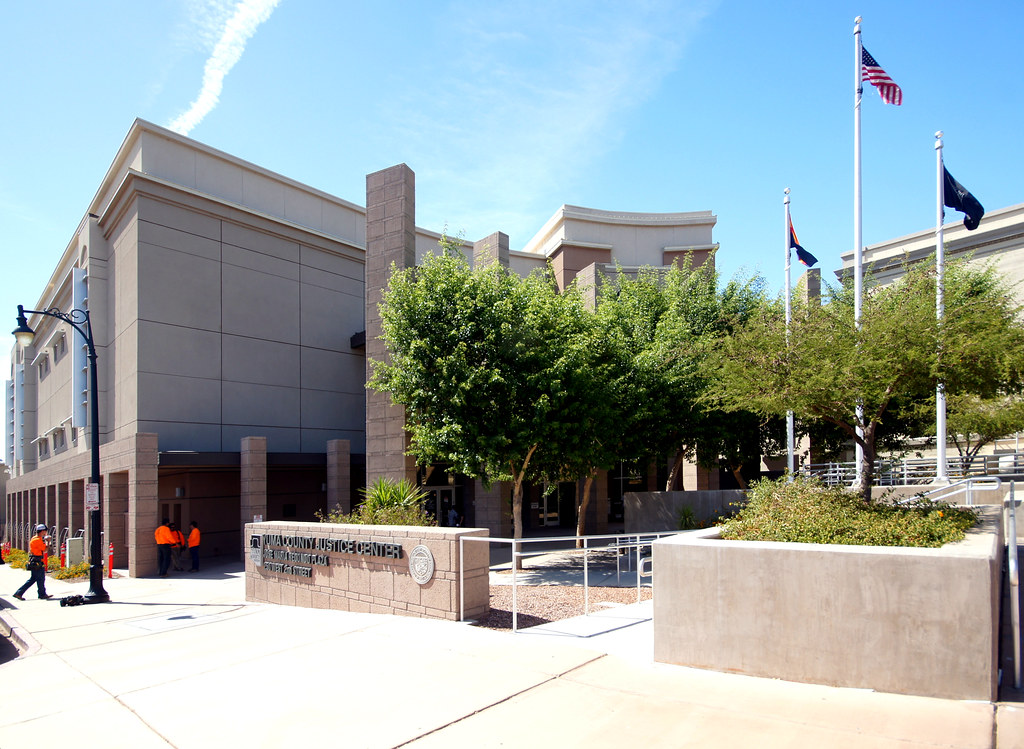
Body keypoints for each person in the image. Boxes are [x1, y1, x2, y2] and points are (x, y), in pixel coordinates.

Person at [14, 524, 52, 600]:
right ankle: (19, 593)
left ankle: (42, 594)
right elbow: (45, 550)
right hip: (36, 561)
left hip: (37, 560)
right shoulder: (37, 540)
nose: (45, 533)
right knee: (34, 578)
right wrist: (48, 542)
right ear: (42, 531)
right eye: (45, 531)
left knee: (41, 578)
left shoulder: (36, 538)